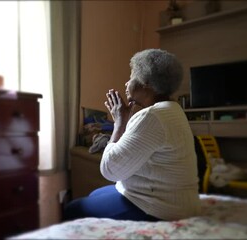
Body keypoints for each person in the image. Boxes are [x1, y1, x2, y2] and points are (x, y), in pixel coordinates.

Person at [63, 49, 201, 222]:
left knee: (72, 209)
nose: (127, 83)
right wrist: (126, 120)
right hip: (177, 200)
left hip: (161, 207)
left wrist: (119, 122)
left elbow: (110, 170)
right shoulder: (172, 109)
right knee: (95, 194)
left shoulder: (152, 116)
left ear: (146, 82)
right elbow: (136, 148)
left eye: (131, 76)